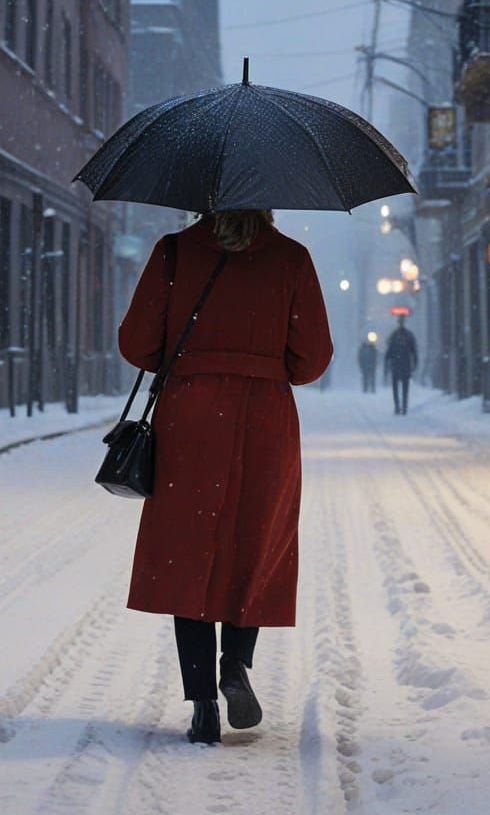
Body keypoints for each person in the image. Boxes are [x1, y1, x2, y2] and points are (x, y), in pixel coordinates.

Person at [118, 210, 333, 745]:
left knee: (188, 550)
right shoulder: (291, 260)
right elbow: (310, 362)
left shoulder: (174, 252)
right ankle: (235, 663)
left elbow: (137, 345)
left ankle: (203, 704)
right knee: (252, 539)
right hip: (265, 418)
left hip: (191, 413)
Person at [384, 315, 418, 415]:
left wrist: (387, 363)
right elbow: (413, 351)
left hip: (396, 365)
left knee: (396, 387)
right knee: (405, 387)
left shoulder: (394, 335)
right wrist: (415, 363)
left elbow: (389, 352)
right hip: (405, 365)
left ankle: (398, 406)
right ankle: (403, 406)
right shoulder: (409, 335)